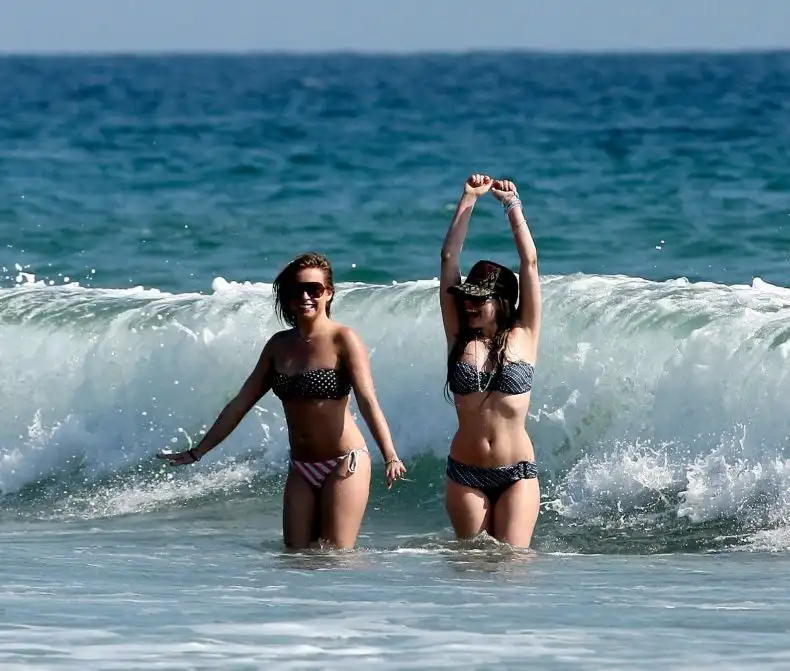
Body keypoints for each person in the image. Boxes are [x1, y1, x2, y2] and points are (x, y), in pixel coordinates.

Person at [157, 252, 407, 550]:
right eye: (297, 290)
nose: (305, 297)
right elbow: (240, 403)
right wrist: (198, 451)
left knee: (336, 558)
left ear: (328, 293)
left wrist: (390, 455)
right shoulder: (279, 346)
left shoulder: (343, 339)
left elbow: (367, 400)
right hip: (301, 468)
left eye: (314, 289)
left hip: (344, 463)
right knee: (295, 558)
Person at [439, 174, 542, 548]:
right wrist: (468, 199)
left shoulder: (525, 334)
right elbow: (449, 258)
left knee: (513, 564)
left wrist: (512, 206)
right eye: (466, 296)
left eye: (478, 298)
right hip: (466, 475)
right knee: (472, 566)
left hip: (517, 473)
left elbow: (529, 263)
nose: (468, 304)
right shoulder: (459, 337)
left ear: (500, 301)